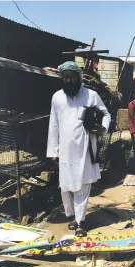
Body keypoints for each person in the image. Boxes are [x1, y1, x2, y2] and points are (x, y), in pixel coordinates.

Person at [47, 61, 111, 237]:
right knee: (65, 187)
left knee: (82, 185)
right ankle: (72, 216)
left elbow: (106, 113)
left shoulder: (91, 95)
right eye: (65, 78)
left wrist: (102, 129)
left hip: (85, 147)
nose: (68, 80)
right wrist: (53, 151)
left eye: (71, 77)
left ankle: (81, 221)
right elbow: (53, 124)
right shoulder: (57, 97)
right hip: (65, 150)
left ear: (78, 77)